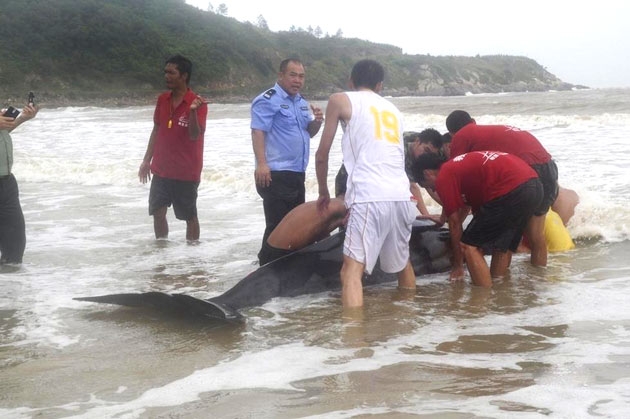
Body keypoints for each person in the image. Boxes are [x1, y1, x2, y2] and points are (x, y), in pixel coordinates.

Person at [315, 59, 418, 308]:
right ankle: (409, 322)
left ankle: (354, 331)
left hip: (369, 195)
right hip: (402, 196)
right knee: (403, 264)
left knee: (351, 271)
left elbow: (322, 154)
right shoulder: (394, 110)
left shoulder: (339, 100)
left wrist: (323, 191)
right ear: (380, 85)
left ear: (351, 82)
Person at [412, 151, 543, 287]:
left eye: (428, 186)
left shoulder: (444, 176)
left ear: (427, 173)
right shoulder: (457, 168)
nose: (433, 190)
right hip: (534, 185)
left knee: (468, 245)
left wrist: (458, 266)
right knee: (502, 245)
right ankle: (499, 292)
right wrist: (442, 218)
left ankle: (484, 296)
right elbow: (464, 207)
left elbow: (455, 223)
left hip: (511, 190)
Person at [445, 110, 559, 267]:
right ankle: (538, 278)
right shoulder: (488, 131)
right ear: (473, 120)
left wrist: (450, 220)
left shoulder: (461, 136)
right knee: (536, 235)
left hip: (528, 171)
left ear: (451, 134)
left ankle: (499, 281)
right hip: (549, 166)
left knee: (504, 237)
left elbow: (453, 175)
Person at [250, 58, 324, 264]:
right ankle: (266, 267)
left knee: (294, 227)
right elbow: (257, 132)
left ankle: (280, 265)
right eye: (293, 75)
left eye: (301, 76)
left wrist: (318, 122)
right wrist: (262, 164)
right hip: (275, 172)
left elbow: (308, 133)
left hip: (297, 172)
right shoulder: (267, 100)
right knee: (277, 227)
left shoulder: (301, 102)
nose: (297, 80)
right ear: (281, 75)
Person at [138, 55, 207, 241]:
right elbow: (156, 129)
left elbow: (194, 135)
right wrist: (146, 160)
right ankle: (163, 251)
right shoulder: (163, 99)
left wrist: (192, 111)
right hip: (161, 168)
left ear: (184, 76)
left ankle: (192, 254)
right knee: (158, 212)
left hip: (186, 171)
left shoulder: (198, 102)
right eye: (165, 72)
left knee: (189, 216)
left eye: (171, 72)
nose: (166, 76)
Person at [1, 101, 38, 264]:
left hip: (7, 183)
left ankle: (10, 279)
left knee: (14, 248)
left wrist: (22, 118)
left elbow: (3, 132)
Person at [259, 197, 347, 265]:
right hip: (281, 256)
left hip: (269, 249)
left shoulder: (331, 204)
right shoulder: (342, 210)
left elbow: (320, 233)